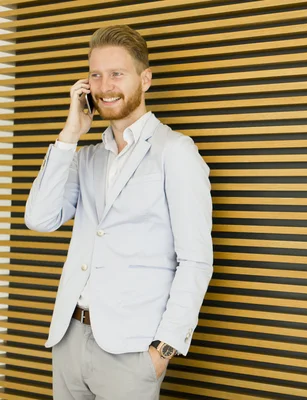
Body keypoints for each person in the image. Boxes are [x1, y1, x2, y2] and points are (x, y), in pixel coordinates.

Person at [24, 25, 213, 399]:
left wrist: (163, 349)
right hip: (69, 339)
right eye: (95, 74)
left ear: (145, 79)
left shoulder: (175, 151)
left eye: (116, 74)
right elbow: (39, 218)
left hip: (132, 352)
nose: (104, 85)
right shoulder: (86, 156)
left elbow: (195, 260)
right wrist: (70, 135)